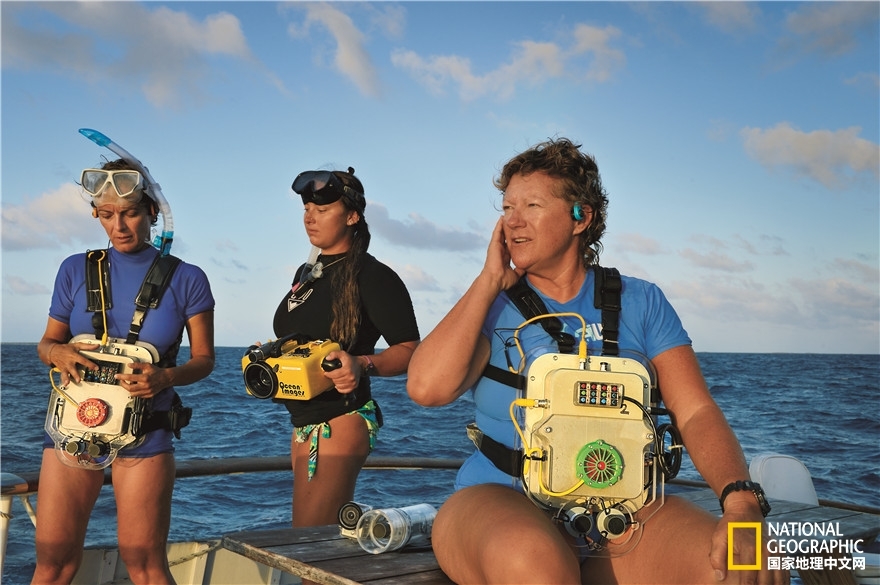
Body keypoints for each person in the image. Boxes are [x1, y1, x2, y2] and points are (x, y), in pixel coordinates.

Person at [406, 138, 787, 585]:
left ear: (580, 217)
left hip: (623, 514)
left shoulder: (643, 301)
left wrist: (738, 499)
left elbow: (695, 410)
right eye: (507, 207)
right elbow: (426, 389)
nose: (513, 220)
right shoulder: (489, 305)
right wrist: (490, 280)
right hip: (499, 499)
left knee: (744, 568)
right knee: (539, 567)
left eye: (531, 205)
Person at [33, 158, 215, 585]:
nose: (119, 226)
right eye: (107, 214)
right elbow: (46, 344)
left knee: (145, 564)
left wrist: (165, 378)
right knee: (53, 562)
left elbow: (205, 360)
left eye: (130, 213)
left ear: (153, 211)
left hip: (146, 432)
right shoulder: (74, 269)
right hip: (73, 427)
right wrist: (57, 353)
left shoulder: (188, 278)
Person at [270, 167, 419, 528]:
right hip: (303, 422)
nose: (310, 218)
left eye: (322, 210)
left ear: (352, 216)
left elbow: (410, 349)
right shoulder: (307, 273)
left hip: (340, 421)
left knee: (309, 542)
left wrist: (362, 363)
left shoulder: (374, 276)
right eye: (307, 209)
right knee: (309, 538)